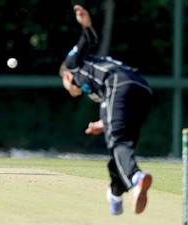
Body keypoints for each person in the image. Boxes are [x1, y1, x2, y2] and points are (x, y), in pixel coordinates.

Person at [59, 5, 153, 215]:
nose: (71, 90)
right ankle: (116, 196)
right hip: (142, 88)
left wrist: (86, 26)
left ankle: (136, 177)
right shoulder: (94, 90)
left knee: (118, 141)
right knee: (122, 147)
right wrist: (102, 124)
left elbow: (89, 41)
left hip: (118, 83)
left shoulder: (72, 65)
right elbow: (115, 108)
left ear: (66, 77)